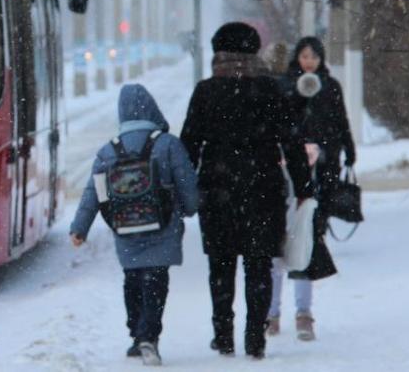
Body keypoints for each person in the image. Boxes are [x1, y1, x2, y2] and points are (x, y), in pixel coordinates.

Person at [179, 22, 311, 360]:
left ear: (217, 52)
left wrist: (182, 188)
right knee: (259, 263)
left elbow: (189, 145)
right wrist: (304, 187)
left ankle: (223, 334)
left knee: (221, 265)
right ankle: (256, 336)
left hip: (217, 188)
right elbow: (292, 142)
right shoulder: (270, 90)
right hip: (263, 187)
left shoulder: (206, 91)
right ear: (254, 51)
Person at [70, 83, 199, 366]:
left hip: (125, 225)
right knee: (156, 278)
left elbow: (93, 193)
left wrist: (80, 227)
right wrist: (190, 208)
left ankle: (135, 334)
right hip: (162, 223)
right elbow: (186, 181)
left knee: (133, 279)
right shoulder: (167, 144)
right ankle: (148, 336)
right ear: (152, 108)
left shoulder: (108, 151)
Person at [267, 36, 355, 341]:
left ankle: (304, 313)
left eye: (314, 56)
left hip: (322, 174)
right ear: (297, 57)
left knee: (308, 241)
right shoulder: (284, 86)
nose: (309, 61)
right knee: (277, 246)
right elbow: (276, 125)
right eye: (304, 56)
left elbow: (340, 122)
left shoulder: (330, 87)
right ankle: (272, 313)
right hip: (285, 176)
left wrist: (346, 151)